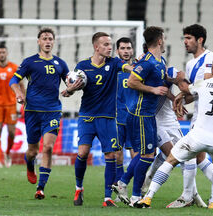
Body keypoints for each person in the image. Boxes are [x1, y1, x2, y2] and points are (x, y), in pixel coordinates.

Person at [136, 52, 213, 209]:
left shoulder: (204, 84)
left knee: (171, 160)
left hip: (198, 137)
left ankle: (148, 197)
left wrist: (180, 78)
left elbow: (185, 88)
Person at [62, 32, 134, 207]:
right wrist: (70, 90)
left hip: (108, 118)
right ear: (96, 47)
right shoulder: (83, 66)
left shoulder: (114, 63)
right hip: (87, 116)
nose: (110, 47)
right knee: (82, 153)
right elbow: (74, 87)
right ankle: (79, 187)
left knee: (110, 155)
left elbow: (127, 68)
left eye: (110, 44)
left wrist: (139, 70)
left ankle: (107, 198)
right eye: (106, 45)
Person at [171, 24, 213, 208]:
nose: (185, 42)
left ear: (200, 40)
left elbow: (209, 85)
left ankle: (187, 196)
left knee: (190, 155)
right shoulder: (191, 63)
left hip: (207, 118)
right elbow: (196, 92)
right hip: (199, 114)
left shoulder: (210, 59)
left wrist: (180, 87)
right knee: (198, 157)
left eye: (189, 38)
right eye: (184, 38)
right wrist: (182, 98)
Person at [9, 28, 74, 199]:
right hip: (32, 112)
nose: (47, 41)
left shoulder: (61, 63)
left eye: (50, 39)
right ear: (38, 41)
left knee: (48, 147)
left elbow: (71, 83)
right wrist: (18, 93)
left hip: (52, 111)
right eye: (44, 38)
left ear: (53, 42)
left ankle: (41, 188)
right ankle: (30, 165)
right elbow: (14, 80)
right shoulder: (30, 62)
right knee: (32, 151)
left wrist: (71, 90)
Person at [112, 26, 168, 206]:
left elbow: (162, 84)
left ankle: (122, 182)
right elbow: (131, 81)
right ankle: (136, 196)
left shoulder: (159, 61)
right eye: (164, 39)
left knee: (149, 153)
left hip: (149, 113)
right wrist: (153, 89)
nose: (164, 41)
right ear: (159, 40)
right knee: (147, 155)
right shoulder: (147, 62)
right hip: (140, 113)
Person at [114, 37, 136, 189]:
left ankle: (135, 187)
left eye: (128, 48)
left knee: (136, 155)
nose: (126, 51)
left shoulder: (138, 68)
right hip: (116, 118)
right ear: (117, 51)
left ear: (132, 50)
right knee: (117, 155)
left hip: (134, 118)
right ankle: (118, 185)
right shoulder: (113, 69)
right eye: (123, 48)